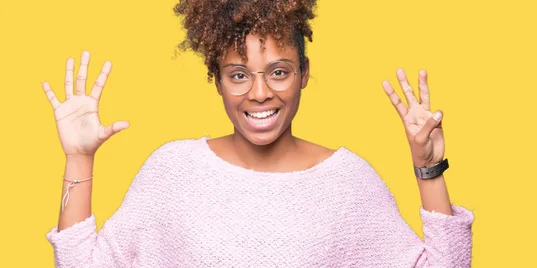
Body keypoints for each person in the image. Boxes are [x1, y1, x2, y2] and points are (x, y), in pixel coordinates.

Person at [44, 0, 474, 267]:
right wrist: (79, 159)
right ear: (217, 80)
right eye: (238, 75)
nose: (260, 93)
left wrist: (429, 168)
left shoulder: (348, 183)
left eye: (279, 72)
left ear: (304, 74)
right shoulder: (172, 171)